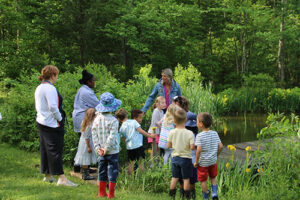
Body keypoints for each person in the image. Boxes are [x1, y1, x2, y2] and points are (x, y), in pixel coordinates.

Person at [35, 65, 77, 187]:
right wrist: (60, 118)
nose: (57, 77)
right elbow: (53, 106)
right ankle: (62, 178)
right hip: (52, 123)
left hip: (41, 121)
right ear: (53, 75)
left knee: (45, 149)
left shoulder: (39, 87)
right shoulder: (50, 88)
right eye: (57, 75)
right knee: (55, 150)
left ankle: (48, 175)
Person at [91, 92, 121, 198]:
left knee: (102, 170)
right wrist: (106, 148)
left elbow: (93, 134)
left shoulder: (96, 119)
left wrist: (98, 148)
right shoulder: (113, 121)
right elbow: (112, 136)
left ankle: (101, 192)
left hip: (100, 152)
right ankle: (111, 194)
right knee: (113, 171)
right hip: (112, 151)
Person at [72, 70, 99, 172]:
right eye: (93, 81)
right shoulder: (87, 92)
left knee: (81, 143)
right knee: (86, 144)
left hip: (79, 117)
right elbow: (98, 105)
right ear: (88, 82)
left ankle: (78, 166)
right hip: (83, 118)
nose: (94, 82)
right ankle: (84, 168)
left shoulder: (82, 89)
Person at [116, 109, 156, 175]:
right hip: (138, 145)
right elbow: (141, 131)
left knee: (131, 163)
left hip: (129, 148)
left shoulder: (121, 128)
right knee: (141, 162)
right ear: (127, 115)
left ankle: (131, 179)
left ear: (119, 119)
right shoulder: (133, 122)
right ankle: (141, 178)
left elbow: (124, 139)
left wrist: (127, 145)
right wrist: (150, 136)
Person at [194, 112, 223, 200]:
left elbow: (198, 150)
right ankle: (214, 193)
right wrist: (216, 155)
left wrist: (196, 161)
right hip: (213, 161)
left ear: (201, 124)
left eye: (197, 121)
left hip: (203, 163)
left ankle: (206, 197)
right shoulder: (214, 133)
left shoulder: (199, 136)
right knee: (213, 177)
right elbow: (221, 146)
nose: (196, 123)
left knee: (203, 180)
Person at [173, 96, 198, 199]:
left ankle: (186, 196)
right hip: (188, 159)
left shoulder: (182, 120)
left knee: (185, 181)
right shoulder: (191, 130)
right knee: (188, 181)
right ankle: (188, 197)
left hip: (184, 158)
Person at [167, 109, 195, 200]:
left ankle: (172, 197)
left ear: (174, 121)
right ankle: (187, 197)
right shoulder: (190, 133)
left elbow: (168, 145)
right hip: (186, 159)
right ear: (185, 120)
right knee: (186, 179)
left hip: (175, 158)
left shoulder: (172, 132)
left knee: (174, 178)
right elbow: (192, 147)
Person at [74, 108, 97, 180]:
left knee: (85, 158)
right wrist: (89, 147)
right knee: (85, 159)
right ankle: (85, 175)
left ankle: (85, 173)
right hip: (86, 144)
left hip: (83, 142)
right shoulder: (89, 126)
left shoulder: (85, 121)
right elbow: (87, 137)